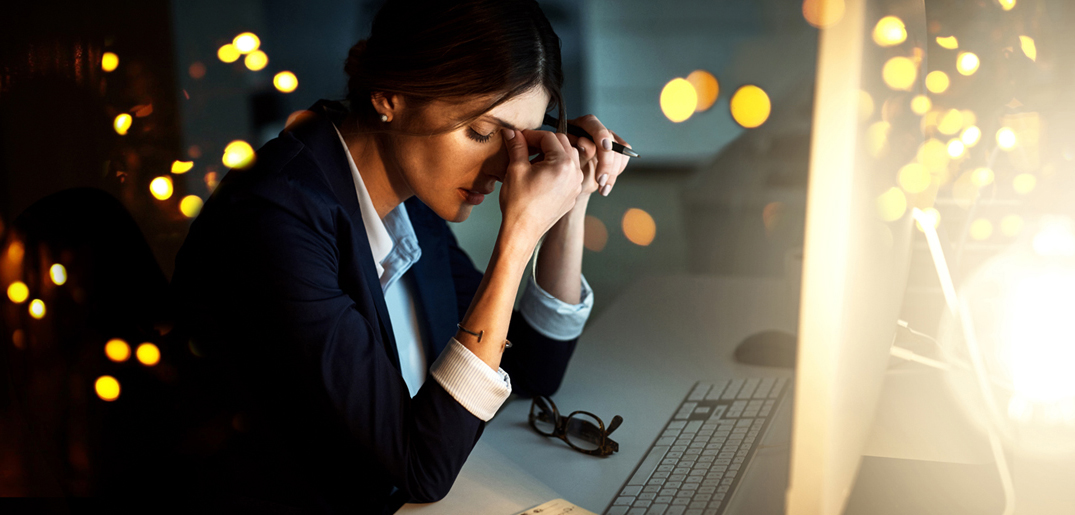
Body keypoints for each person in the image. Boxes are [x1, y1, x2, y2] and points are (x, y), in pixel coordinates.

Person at [170, 0, 631, 512]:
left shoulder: (413, 197)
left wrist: (573, 199)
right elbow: (421, 468)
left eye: (519, 141)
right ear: (390, 96)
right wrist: (518, 239)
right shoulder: (274, 219)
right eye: (481, 132)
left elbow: (528, 369)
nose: (505, 167)